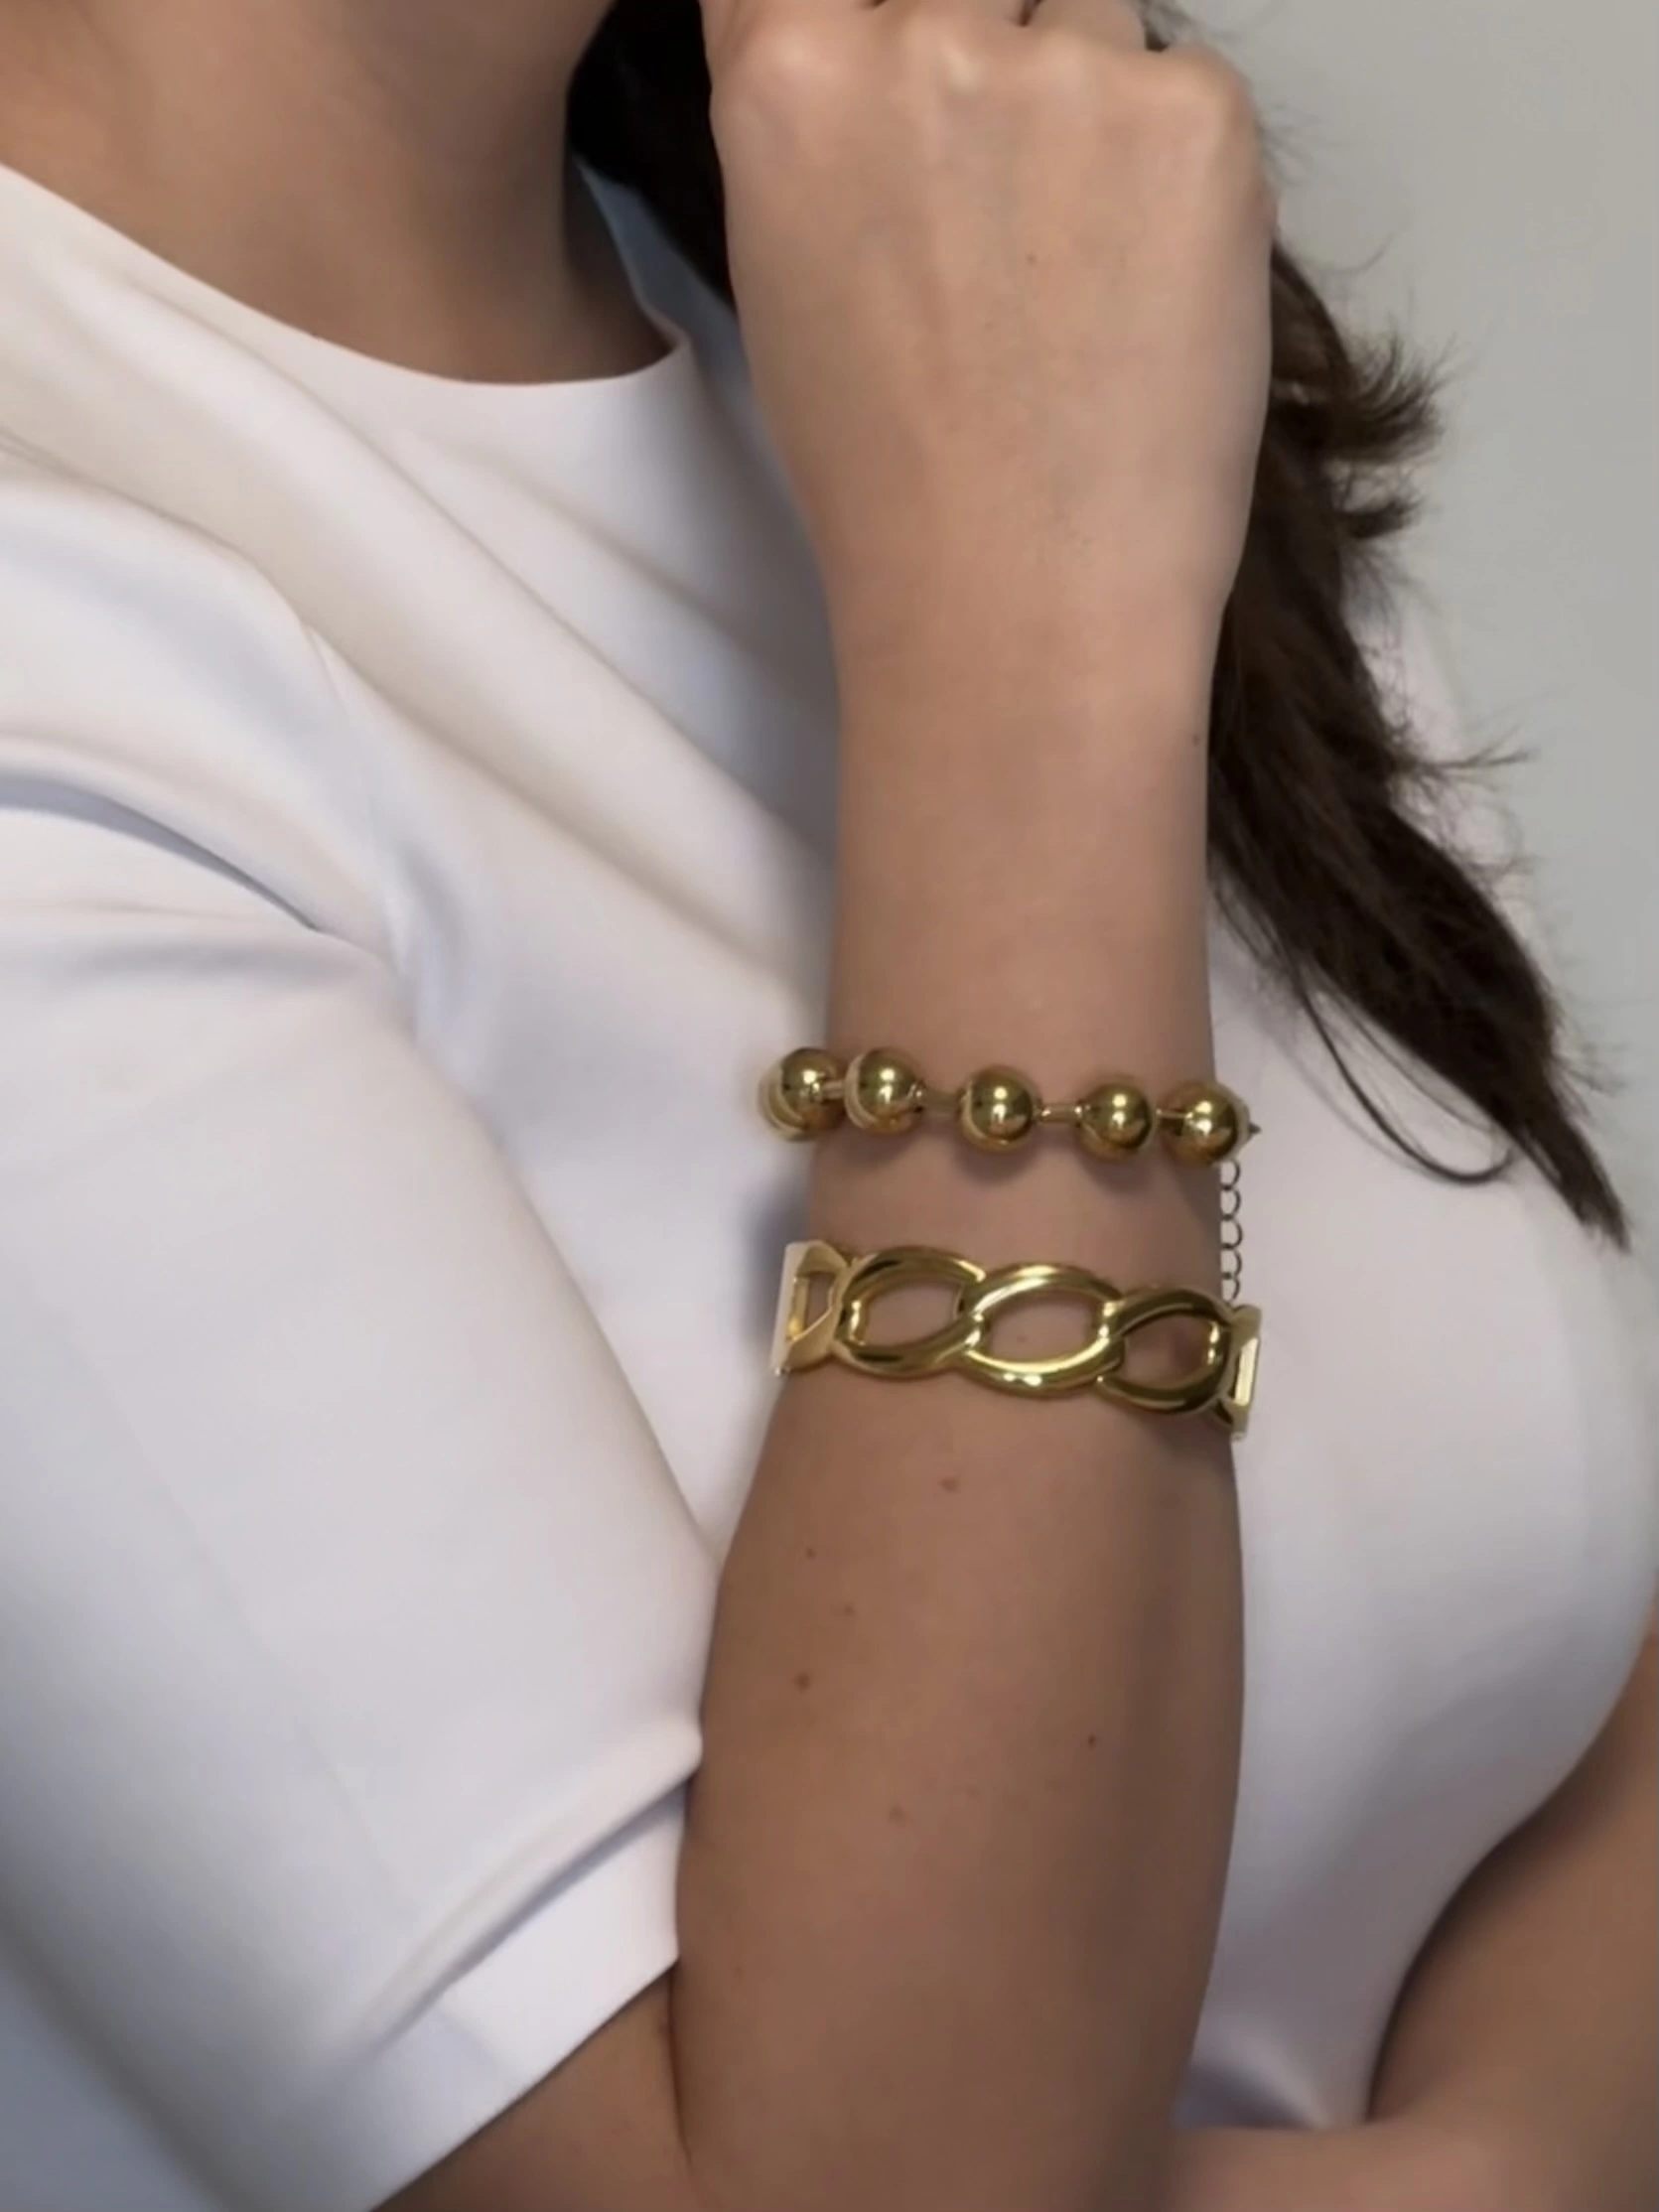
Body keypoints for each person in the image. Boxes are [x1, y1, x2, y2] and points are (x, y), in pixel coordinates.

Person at [0, 0, 1653, 2206]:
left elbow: (1563, 1632)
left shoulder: (966, 247)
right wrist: (1028, 661)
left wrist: (1506, 2170)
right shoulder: (64, 626)